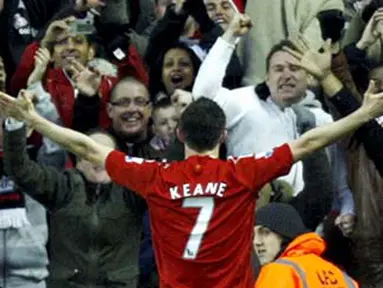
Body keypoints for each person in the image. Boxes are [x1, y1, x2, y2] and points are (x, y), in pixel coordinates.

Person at [1, 85, 383, 287]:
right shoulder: (242, 173)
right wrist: (365, 113)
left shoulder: (155, 176)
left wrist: (35, 119)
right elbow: (308, 143)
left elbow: (86, 146)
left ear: (180, 133)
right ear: (223, 133)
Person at [3, 123, 146, 287]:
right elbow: (20, 170)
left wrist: (182, 131)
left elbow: (169, 176)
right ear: (78, 160)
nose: (98, 160)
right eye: (90, 153)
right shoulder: (63, 186)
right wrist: (15, 127)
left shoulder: (131, 191)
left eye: (105, 153)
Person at [253, 203, 359, 287]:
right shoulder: (342, 277)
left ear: (285, 233)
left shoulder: (278, 272)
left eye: (265, 233)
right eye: (253, 236)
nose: (256, 242)